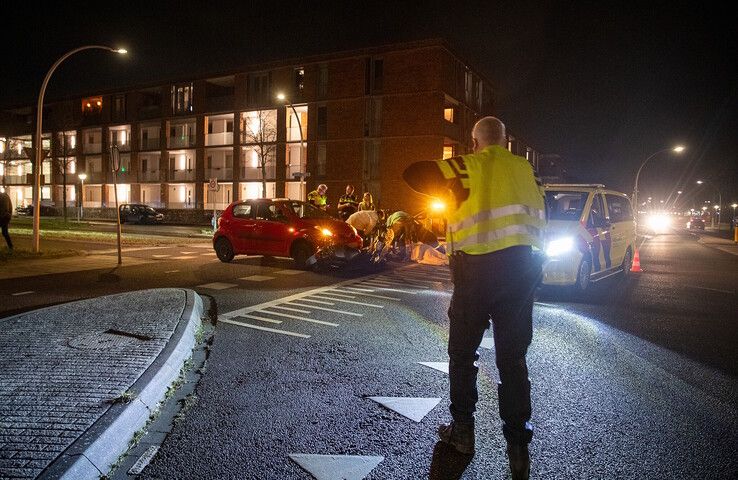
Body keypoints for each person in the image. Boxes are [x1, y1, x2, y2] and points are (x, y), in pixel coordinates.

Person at [403, 117, 546, 480]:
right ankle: (518, 452)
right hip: (520, 270)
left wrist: (449, 186)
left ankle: (463, 433)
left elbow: (413, 173)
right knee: (513, 360)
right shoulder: (526, 169)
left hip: (475, 272)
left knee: (463, 354)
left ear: (476, 141)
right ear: (505, 141)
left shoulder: (466, 165)